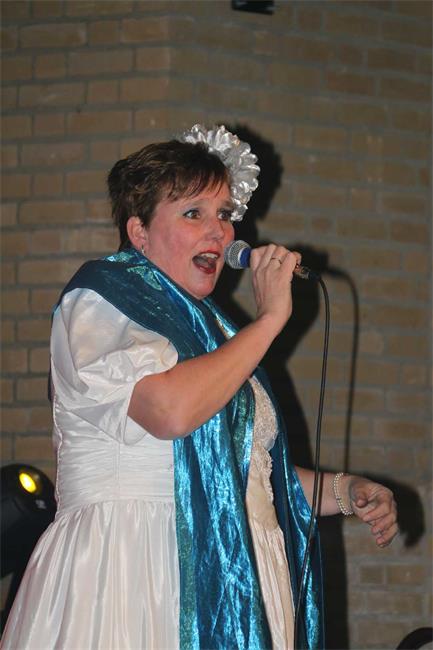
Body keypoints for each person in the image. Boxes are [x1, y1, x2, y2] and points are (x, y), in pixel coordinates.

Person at [1, 125, 398, 650]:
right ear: (139, 231)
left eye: (225, 215)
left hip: (239, 572)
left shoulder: (220, 335)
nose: (221, 233)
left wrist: (346, 490)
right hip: (138, 564)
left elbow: (251, 475)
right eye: (194, 213)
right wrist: (270, 321)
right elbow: (168, 411)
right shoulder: (101, 299)